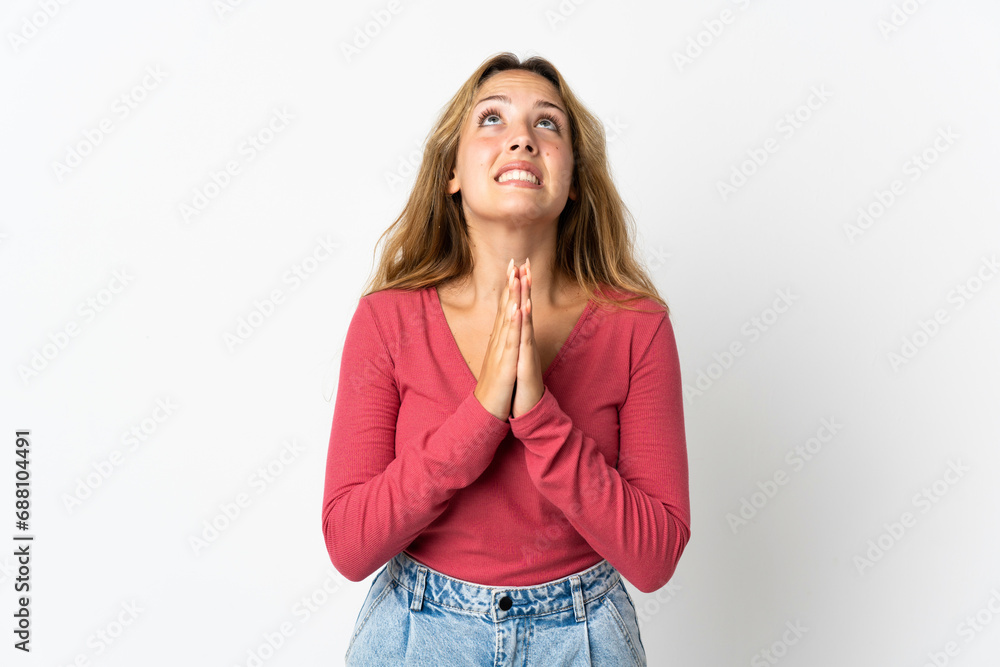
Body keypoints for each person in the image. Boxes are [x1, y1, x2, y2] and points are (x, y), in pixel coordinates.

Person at [322, 51, 690, 666]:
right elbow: (349, 545)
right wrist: (481, 413)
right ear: (452, 172)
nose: (521, 138)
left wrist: (539, 417)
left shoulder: (637, 326)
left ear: (574, 181)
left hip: (583, 639)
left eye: (547, 123)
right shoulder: (387, 319)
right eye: (492, 119)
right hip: (416, 636)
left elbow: (654, 560)